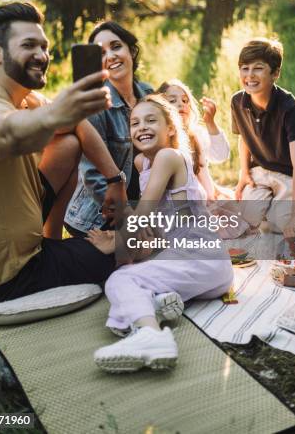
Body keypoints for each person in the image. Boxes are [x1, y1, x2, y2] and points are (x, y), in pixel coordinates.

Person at [0, 2, 127, 302]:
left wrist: (115, 180)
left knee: (70, 142)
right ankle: (56, 258)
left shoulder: (23, 97)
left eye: (44, 46)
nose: (41, 55)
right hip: (6, 274)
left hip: (27, 238)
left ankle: (53, 243)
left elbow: (77, 126)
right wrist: (54, 115)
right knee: (133, 248)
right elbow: (2, 135)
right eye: (28, 45)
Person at [88, 94, 232, 373]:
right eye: (134, 123)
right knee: (139, 272)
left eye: (151, 120)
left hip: (201, 257)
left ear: (170, 128)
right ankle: (158, 306)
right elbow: (157, 227)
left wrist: (118, 245)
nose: (141, 127)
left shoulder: (168, 156)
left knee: (119, 281)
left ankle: (152, 336)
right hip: (209, 271)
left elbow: (144, 212)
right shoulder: (144, 163)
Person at [65, 21, 152, 236]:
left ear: (131, 51)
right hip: (97, 216)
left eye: (116, 46)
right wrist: (128, 218)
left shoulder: (148, 94)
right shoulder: (96, 104)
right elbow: (93, 176)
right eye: (102, 53)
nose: (111, 56)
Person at [231, 37, 295, 239]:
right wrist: (244, 173)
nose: (250, 75)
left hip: (290, 172)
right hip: (262, 169)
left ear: (275, 73)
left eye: (258, 68)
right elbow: (244, 137)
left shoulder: (290, 109)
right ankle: (269, 206)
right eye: (244, 68)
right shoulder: (238, 101)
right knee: (247, 218)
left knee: (283, 226)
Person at [157, 79, 230, 200]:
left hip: (209, 200)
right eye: (172, 101)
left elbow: (221, 155)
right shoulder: (162, 144)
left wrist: (210, 123)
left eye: (185, 100)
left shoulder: (197, 134)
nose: (181, 104)